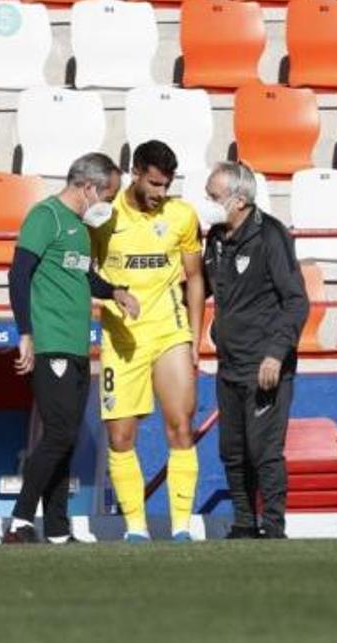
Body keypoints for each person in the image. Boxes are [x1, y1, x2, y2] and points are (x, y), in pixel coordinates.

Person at [2, 154, 141, 544]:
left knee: (66, 436)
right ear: (88, 187)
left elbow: (83, 278)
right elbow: (19, 273)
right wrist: (25, 332)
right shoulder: (45, 216)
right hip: (51, 342)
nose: (109, 204)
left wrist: (114, 292)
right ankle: (20, 521)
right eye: (107, 195)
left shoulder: (80, 229)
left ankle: (59, 529)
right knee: (60, 432)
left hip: (77, 344)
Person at [90, 140, 205, 542]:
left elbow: (195, 277)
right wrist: (110, 295)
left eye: (166, 185)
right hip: (121, 338)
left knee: (180, 426)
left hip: (169, 331)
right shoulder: (104, 218)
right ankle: (135, 528)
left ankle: (181, 527)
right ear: (135, 172)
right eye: (154, 183)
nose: (160, 193)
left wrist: (193, 336)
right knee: (121, 437)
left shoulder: (181, 215)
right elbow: (87, 271)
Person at [202, 162, 309, 540]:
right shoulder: (215, 238)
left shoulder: (271, 236)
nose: (209, 203)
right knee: (232, 450)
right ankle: (244, 522)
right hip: (229, 364)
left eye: (214, 197)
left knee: (264, 451)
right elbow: (201, 287)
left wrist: (276, 354)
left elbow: (297, 302)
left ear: (240, 199)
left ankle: (274, 525)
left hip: (265, 364)